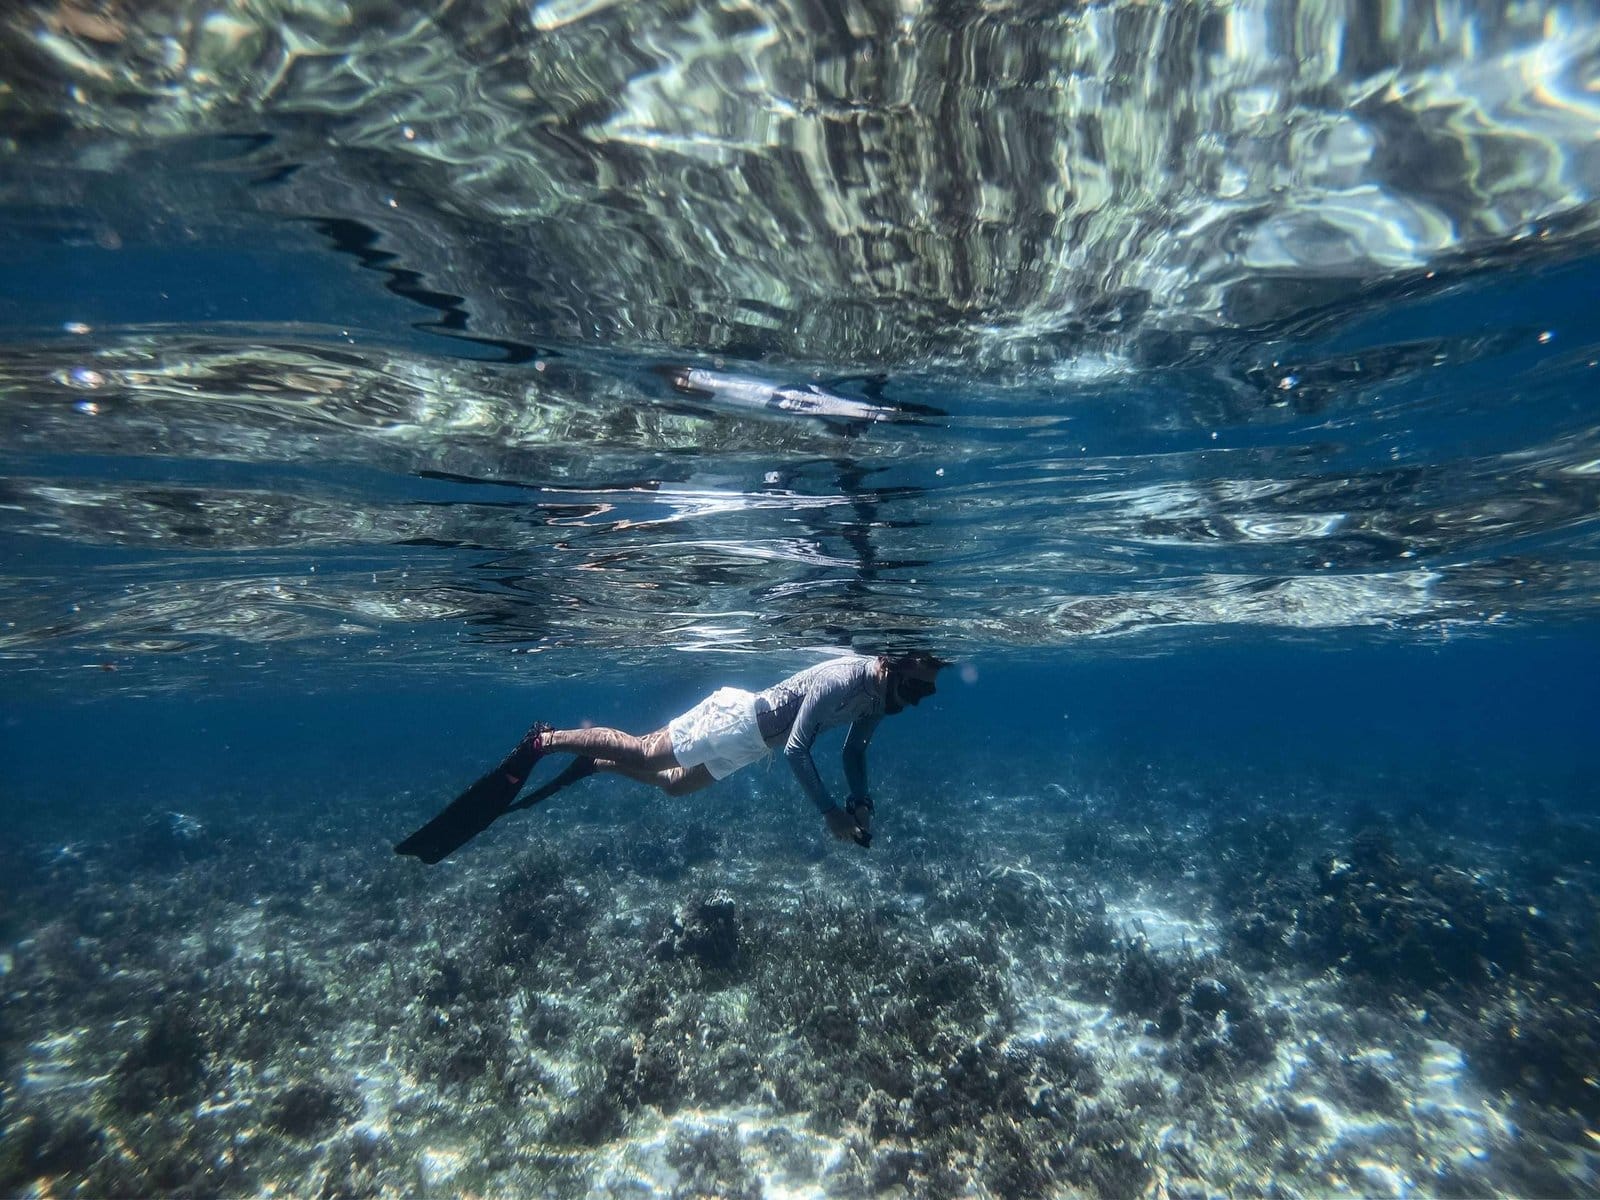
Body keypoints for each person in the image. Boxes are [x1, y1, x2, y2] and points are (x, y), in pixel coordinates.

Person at [395, 652, 944, 864]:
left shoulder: (879, 698)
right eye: (920, 689)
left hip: (755, 744)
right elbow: (800, 746)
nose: (919, 703)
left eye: (928, 696)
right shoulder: (846, 676)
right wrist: (829, 812)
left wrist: (860, 800)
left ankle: (596, 764)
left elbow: (855, 750)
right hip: (738, 720)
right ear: (897, 665)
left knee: (675, 787)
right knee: (647, 753)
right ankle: (546, 739)